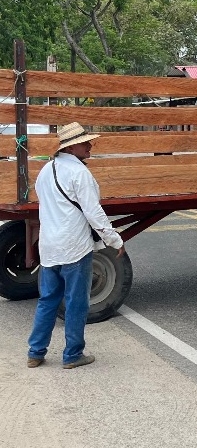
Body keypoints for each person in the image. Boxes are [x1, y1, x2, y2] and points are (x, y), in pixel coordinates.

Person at [27, 122, 125, 369]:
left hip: (50, 246)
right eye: (85, 143)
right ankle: (72, 355)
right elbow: (94, 213)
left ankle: (35, 352)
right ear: (72, 148)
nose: (90, 146)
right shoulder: (80, 174)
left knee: (48, 300)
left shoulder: (46, 170)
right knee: (76, 302)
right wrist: (114, 240)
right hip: (74, 247)